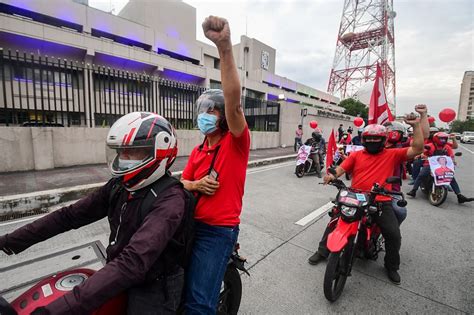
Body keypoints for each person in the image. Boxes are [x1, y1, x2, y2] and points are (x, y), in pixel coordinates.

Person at [0, 112, 186, 314]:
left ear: (159, 152)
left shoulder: (170, 199)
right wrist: (8, 241)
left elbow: (132, 262)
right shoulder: (120, 186)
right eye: (121, 152)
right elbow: (69, 216)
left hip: (153, 286)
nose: (123, 159)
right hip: (117, 272)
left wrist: (53, 312)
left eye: (132, 152)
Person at [180, 16, 250, 315]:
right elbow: (180, 184)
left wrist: (224, 48)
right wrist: (194, 184)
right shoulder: (198, 150)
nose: (205, 115)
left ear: (222, 116)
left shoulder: (235, 142)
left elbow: (234, 101)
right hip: (188, 225)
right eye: (202, 110)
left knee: (199, 304)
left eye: (212, 110)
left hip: (217, 231)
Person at [308, 110, 425, 285]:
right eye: (368, 139)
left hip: (380, 200)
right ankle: (323, 251)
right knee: (335, 220)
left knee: (393, 234)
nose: (371, 142)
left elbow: (417, 148)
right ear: (363, 140)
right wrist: (332, 176)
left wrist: (416, 125)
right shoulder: (356, 155)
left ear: (383, 140)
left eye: (375, 139)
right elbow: (341, 168)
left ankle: (391, 266)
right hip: (355, 197)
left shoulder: (392, 154)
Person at [407, 132, 474, 203]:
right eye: (441, 139)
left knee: (451, 177)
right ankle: (414, 190)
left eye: (444, 139)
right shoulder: (430, 145)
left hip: (442, 166)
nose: (443, 140)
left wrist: (453, 161)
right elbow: (423, 152)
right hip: (430, 164)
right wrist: (422, 155)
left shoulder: (447, 147)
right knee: (422, 174)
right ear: (436, 139)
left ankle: (459, 196)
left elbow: (451, 156)